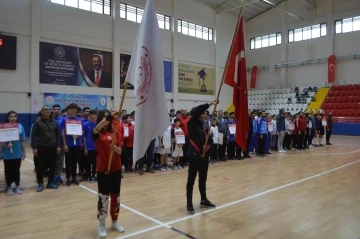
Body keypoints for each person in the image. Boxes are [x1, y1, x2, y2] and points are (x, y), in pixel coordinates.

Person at [92, 109, 125, 238]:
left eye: (109, 118)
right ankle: (101, 224)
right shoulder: (97, 134)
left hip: (116, 169)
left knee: (116, 197)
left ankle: (115, 221)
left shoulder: (115, 132)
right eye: (105, 118)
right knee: (103, 198)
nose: (108, 120)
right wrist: (109, 117)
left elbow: (121, 151)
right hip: (103, 170)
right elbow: (96, 128)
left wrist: (116, 149)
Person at [186, 100, 218, 214]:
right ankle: (189, 204)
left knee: (203, 179)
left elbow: (210, 141)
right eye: (203, 112)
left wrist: (207, 147)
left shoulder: (205, 127)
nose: (205, 114)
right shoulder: (192, 123)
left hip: (204, 157)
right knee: (191, 181)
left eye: (206, 113)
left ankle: (203, 200)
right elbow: (197, 111)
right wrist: (209, 104)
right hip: (194, 156)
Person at [31, 106, 61, 192]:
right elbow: (33, 136)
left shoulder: (54, 122)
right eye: (45, 109)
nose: (47, 111)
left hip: (52, 147)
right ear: (42, 112)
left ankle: (50, 183)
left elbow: (58, 135)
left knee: (52, 166)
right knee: (40, 167)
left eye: (48, 109)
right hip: (41, 147)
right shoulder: (37, 122)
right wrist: (35, 148)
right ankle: (40, 183)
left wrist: (58, 146)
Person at [1, 111, 26, 196]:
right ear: (8, 118)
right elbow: (1, 141)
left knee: (16, 170)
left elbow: (22, 141)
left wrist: (24, 151)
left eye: (15, 116)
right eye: (11, 116)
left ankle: (17, 186)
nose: (13, 118)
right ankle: (8, 187)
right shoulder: (3, 127)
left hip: (17, 152)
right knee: (8, 170)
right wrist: (6, 146)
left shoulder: (20, 126)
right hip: (7, 153)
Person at [83, 110, 98, 182]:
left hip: (96, 147)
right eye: (92, 114)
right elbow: (84, 137)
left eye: (95, 114)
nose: (94, 116)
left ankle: (93, 175)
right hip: (89, 146)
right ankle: (89, 175)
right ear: (89, 116)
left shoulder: (98, 124)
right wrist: (85, 148)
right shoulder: (85, 124)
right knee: (88, 162)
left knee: (95, 162)